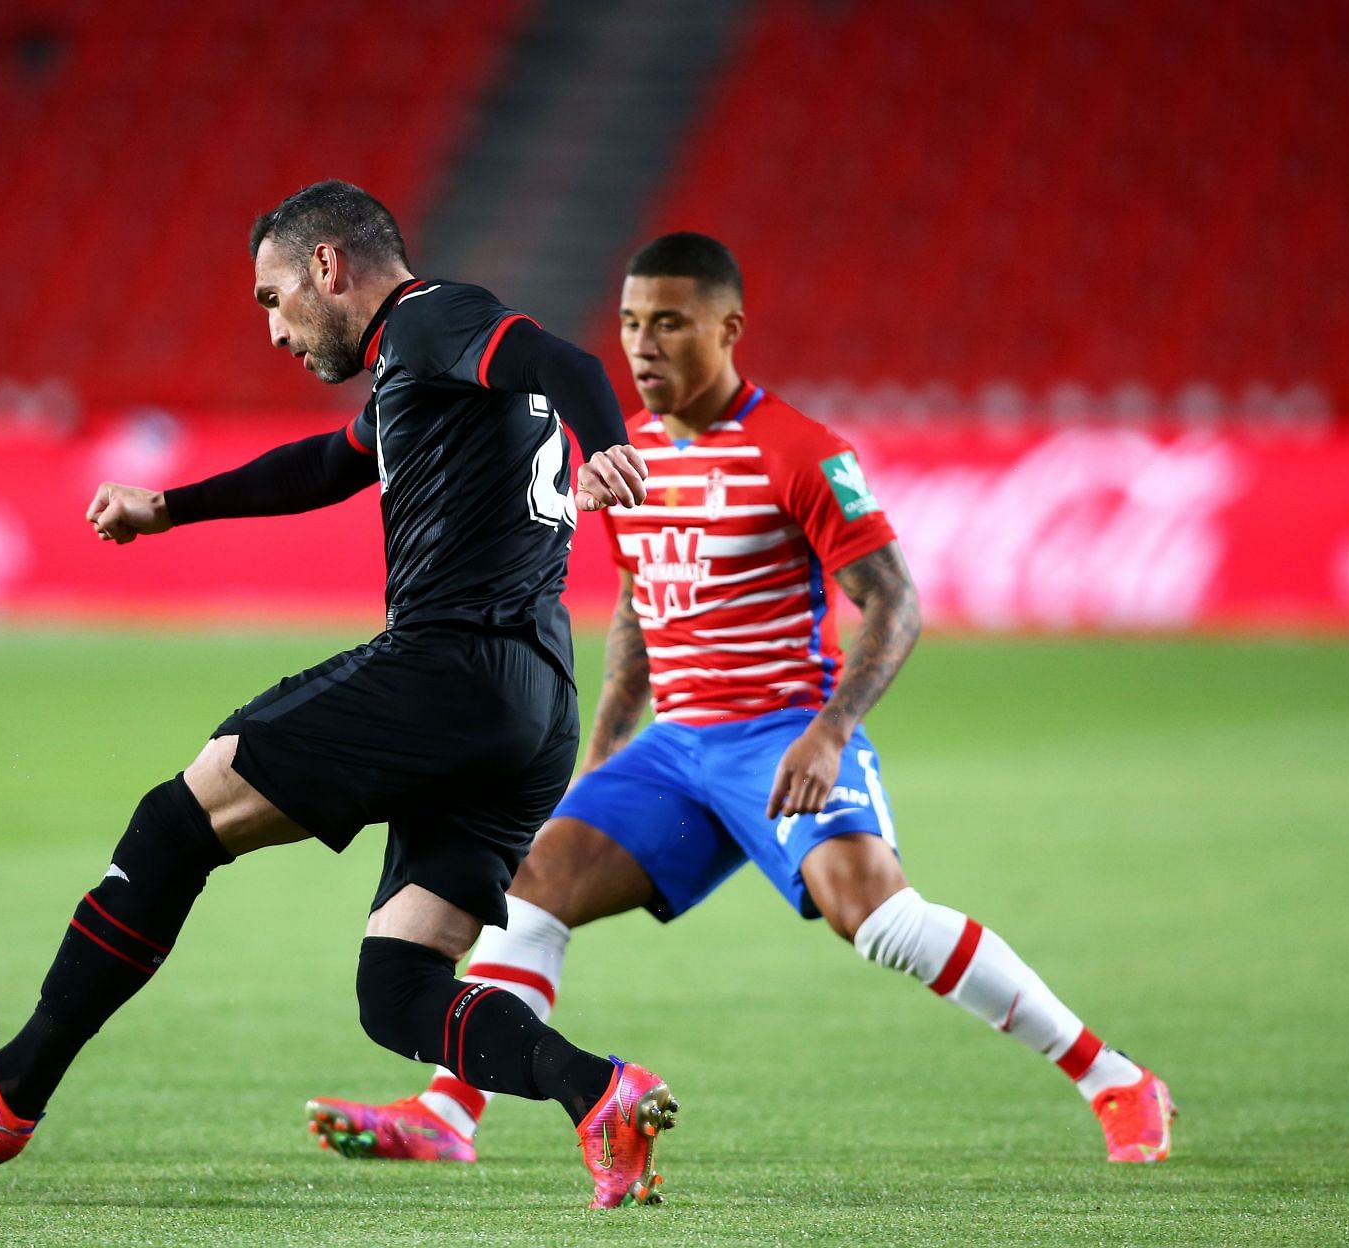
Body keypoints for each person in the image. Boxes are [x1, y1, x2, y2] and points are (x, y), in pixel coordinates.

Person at [0, 180, 680, 1208]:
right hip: (534, 704)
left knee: (174, 822)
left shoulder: (431, 317)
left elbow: (567, 362)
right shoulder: (421, 373)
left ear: (328, 267)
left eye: (271, 296)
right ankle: (597, 1093)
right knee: (398, 989)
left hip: (449, 668)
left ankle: (12, 1087)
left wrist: (609, 439)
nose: (272, 328)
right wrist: (169, 506)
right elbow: (329, 466)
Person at [305, 232, 1176, 1167]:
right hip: (677, 751)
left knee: (880, 920)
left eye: (670, 324)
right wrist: (601, 750)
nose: (643, 346)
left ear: (730, 329)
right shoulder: (625, 449)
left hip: (782, 734)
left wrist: (833, 732)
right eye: (633, 323)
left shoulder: (798, 448)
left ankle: (1113, 1077)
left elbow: (895, 601)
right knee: (532, 886)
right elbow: (643, 604)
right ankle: (450, 1114)